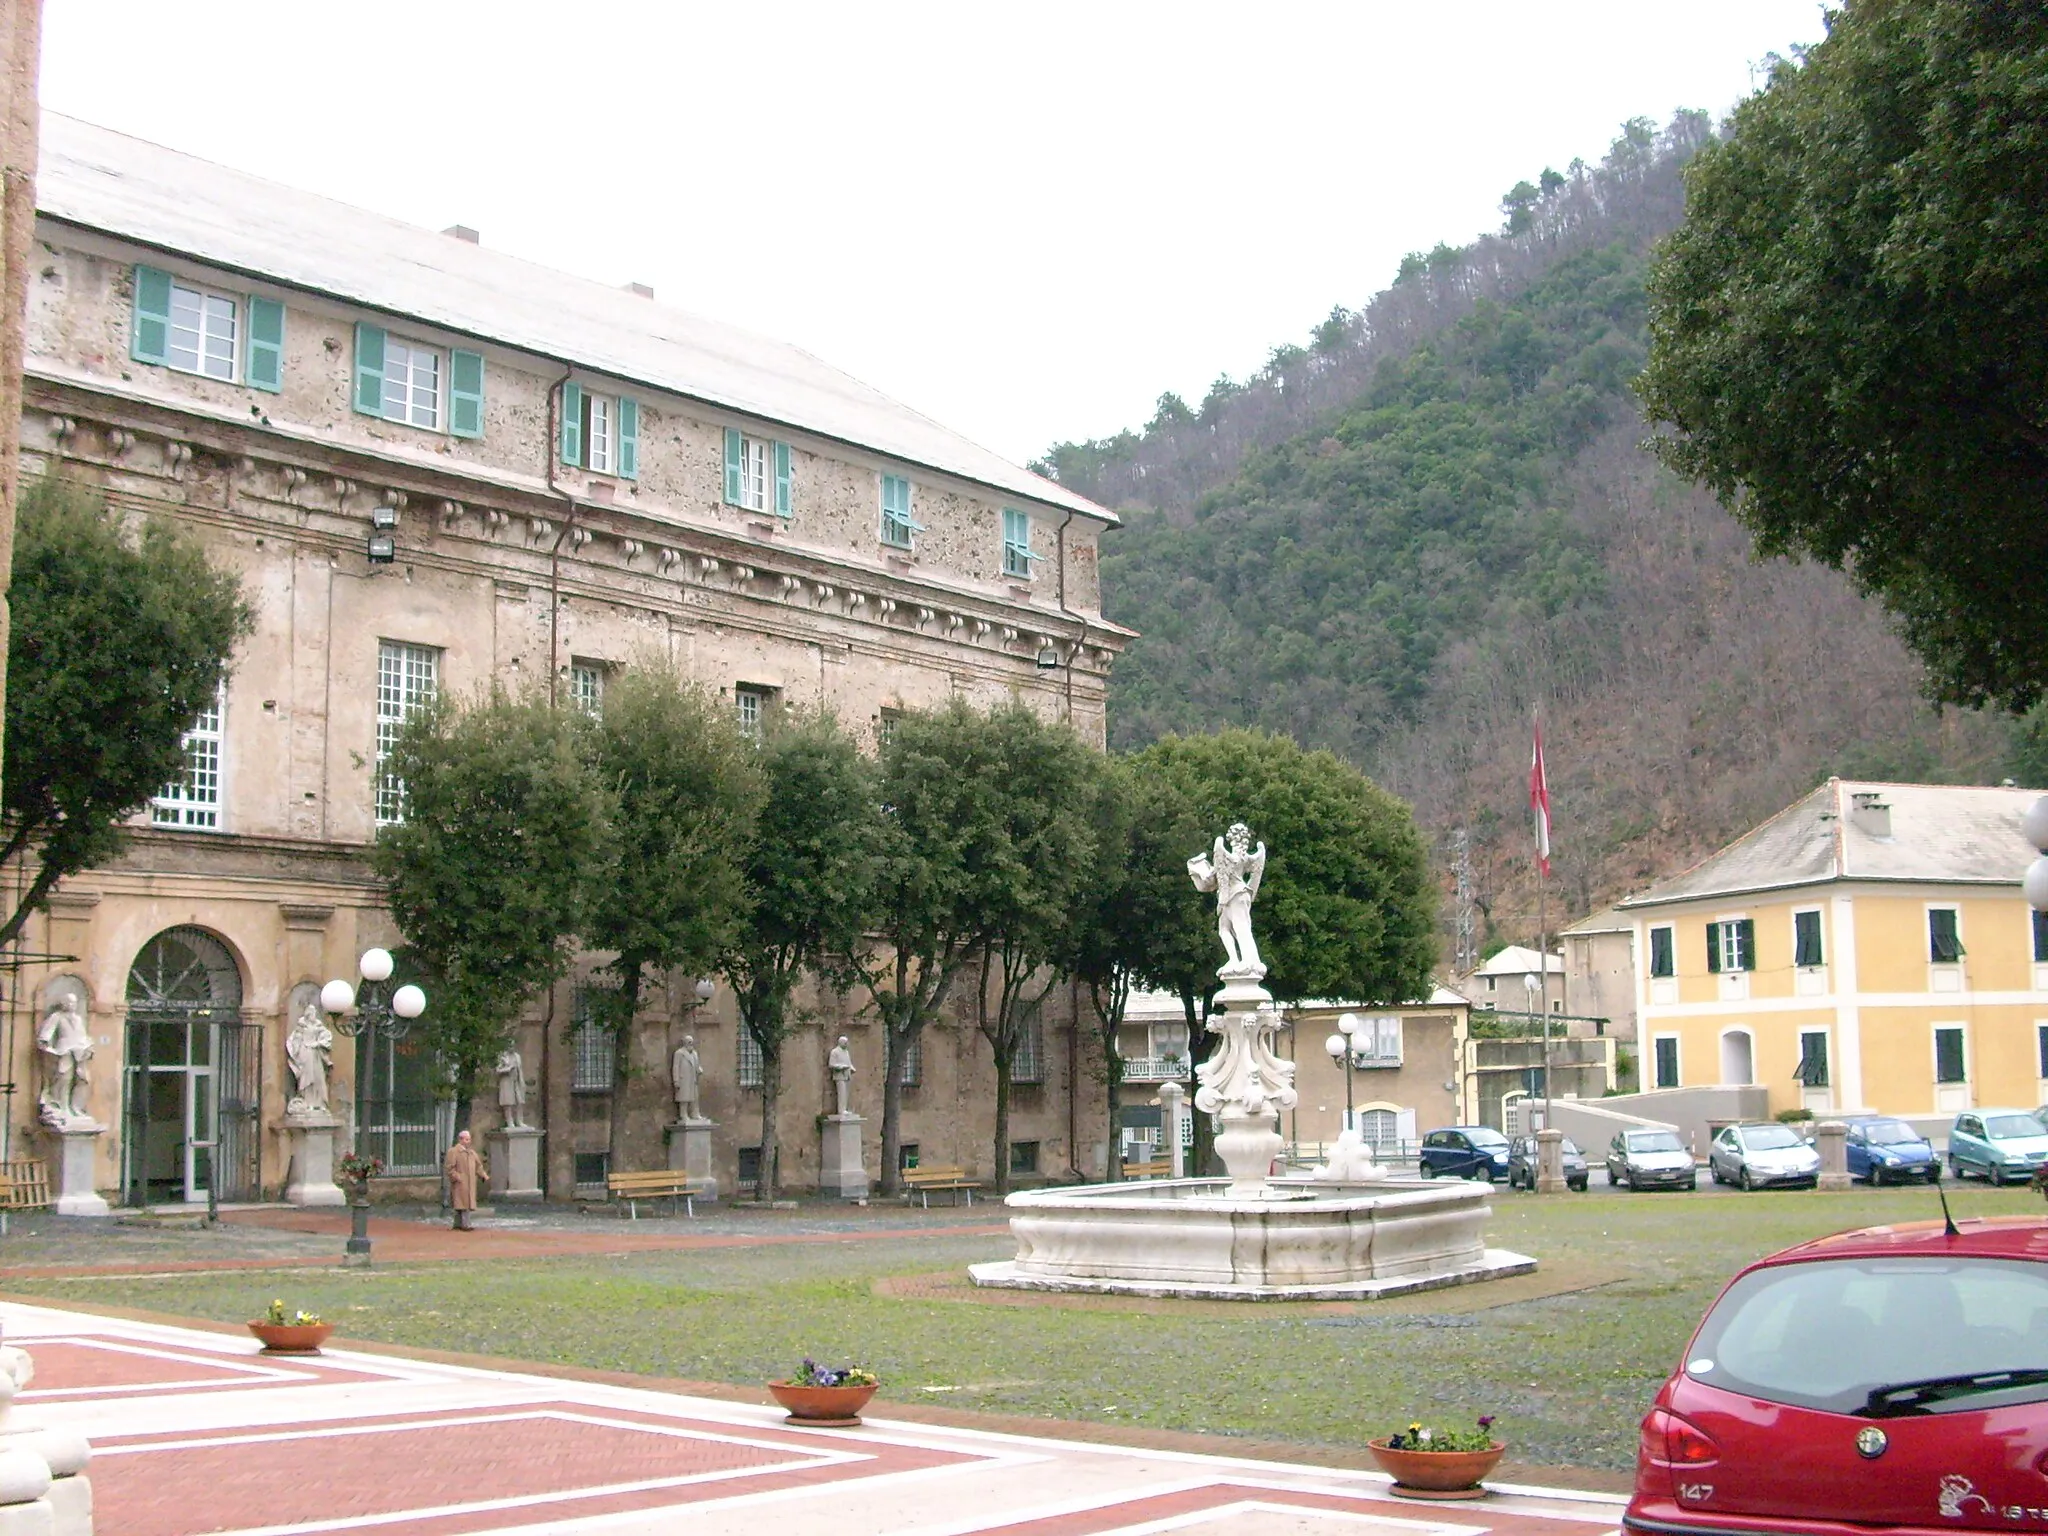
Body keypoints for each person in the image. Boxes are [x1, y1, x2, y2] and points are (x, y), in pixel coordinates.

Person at [1187, 822, 1267, 975]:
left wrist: (1201, 871)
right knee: (1226, 929)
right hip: (1241, 894)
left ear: (1231, 839)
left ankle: (1249, 961)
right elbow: (1253, 876)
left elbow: (1218, 871)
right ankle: (1237, 960)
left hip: (1233, 895)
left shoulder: (1229, 856)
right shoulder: (1250, 857)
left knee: (1239, 928)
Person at [36, 993, 92, 1126]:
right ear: (64, 1004)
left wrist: (89, 1047)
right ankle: (62, 1107)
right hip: (64, 1051)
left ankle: (76, 1108)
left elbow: (83, 1035)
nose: (73, 1005)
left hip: (79, 1052)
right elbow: (44, 1036)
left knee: (82, 1079)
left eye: (75, 1002)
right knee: (64, 1079)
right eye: (70, 1002)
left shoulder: (78, 1019)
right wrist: (51, 1051)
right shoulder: (57, 1017)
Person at [285, 1002, 333, 1116]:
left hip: (315, 1053)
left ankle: (318, 1102)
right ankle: (307, 1101)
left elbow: (327, 1037)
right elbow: (294, 1041)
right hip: (305, 1053)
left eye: (315, 1013)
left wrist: (318, 1043)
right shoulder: (301, 1026)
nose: (314, 1015)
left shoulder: (318, 1026)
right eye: (312, 1013)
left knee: (318, 1077)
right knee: (306, 1078)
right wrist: (297, 1048)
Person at [444, 1129, 488, 1230]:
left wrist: (483, 1175)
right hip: (460, 1183)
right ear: (461, 1140)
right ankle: (465, 1224)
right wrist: (457, 1177)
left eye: (469, 1139)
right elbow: (450, 1167)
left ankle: (458, 1223)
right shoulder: (454, 1151)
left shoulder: (471, 1153)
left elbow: (478, 1166)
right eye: (466, 1139)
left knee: (464, 1204)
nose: (469, 1141)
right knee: (462, 1204)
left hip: (470, 1182)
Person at [671, 1035, 703, 1122]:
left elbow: (696, 1064)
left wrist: (699, 1069)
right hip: (683, 1078)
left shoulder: (694, 1053)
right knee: (684, 1097)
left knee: (694, 1096)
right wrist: (676, 1080)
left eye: (691, 1042)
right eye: (689, 1042)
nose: (691, 1043)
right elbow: (676, 1067)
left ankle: (695, 1113)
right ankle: (683, 1114)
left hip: (692, 1078)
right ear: (685, 1043)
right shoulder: (679, 1053)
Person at [495, 1048, 528, 1130]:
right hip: (506, 1080)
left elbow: (519, 1069)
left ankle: (519, 1121)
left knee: (519, 1101)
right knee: (508, 1102)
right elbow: (497, 1070)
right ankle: (510, 1121)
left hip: (516, 1080)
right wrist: (508, 1069)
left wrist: (522, 1080)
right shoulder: (502, 1056)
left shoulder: (517, 1056)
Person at [828, 1035, 855, 1117]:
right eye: (845, 1043)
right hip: (839, 1075)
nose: (847, 1044)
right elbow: (831, 1064)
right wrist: (841, 1066)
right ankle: (841, 1110)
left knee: (846, 1093)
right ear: (841, 1042)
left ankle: (845, 1108)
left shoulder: (846, 1052)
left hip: (847, 1075)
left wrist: (852, 1068)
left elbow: (849, 1062)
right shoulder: (834, 1052)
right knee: (841, 1093)